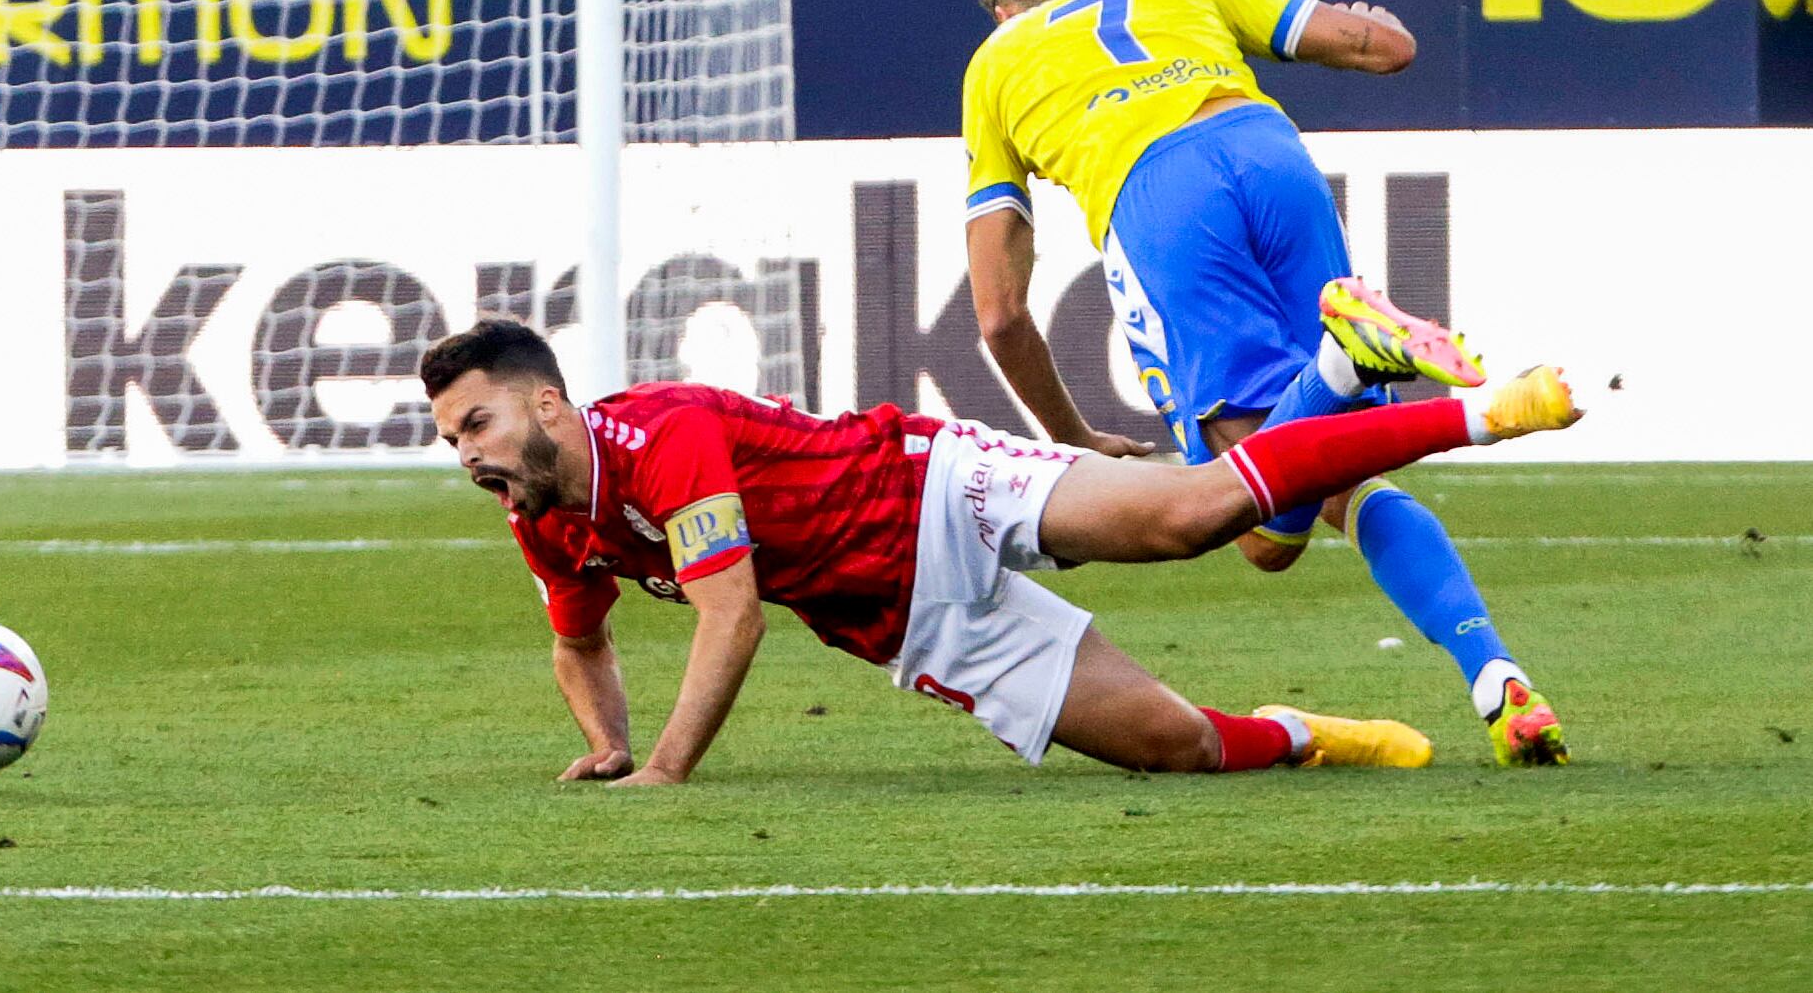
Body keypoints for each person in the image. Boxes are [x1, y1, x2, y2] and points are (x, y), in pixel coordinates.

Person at [421, 318, 1581, 786]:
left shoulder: (658, 433)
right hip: (909, 620)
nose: (466, 450)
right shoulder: (542, 512)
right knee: (1169, 747)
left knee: (1187, 518)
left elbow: (733, 613)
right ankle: (1320, 734)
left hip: (932, 487)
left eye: (476, 422)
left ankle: (1491, 409)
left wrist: (667, 769)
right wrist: (609, 743)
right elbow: (579, 639)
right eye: (450, 437)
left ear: (548, 403)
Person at [961, 0, 1568, 767]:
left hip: (1157, 196)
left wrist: (1070, 441)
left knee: (1252, 529)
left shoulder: (995, 65)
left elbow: (999, 315)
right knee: (1340, 472)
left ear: (1000, 8)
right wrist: (1372, 19)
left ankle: (1340, 360)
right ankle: (1494, 675)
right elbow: (1383, 48)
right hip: (1270, 156)